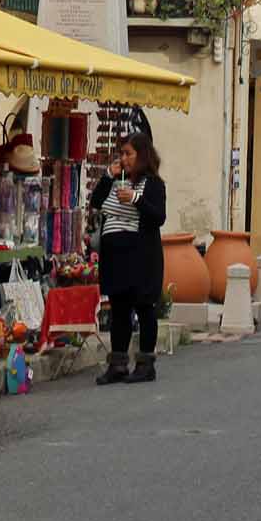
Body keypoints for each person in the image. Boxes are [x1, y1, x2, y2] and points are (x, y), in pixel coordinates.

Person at [89, 132, 167, 384]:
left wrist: (135, 199)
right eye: (121, 154)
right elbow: (96, 201)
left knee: (144, 308)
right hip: (114, 256)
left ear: (142, 156)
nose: (123, 159)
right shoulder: (116, 181)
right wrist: (107, 176)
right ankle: (118, 364)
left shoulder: (153, 184)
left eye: (128, 154)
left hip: (140, 256)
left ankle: (145, 364)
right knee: (119, 309)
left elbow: (158, 217)